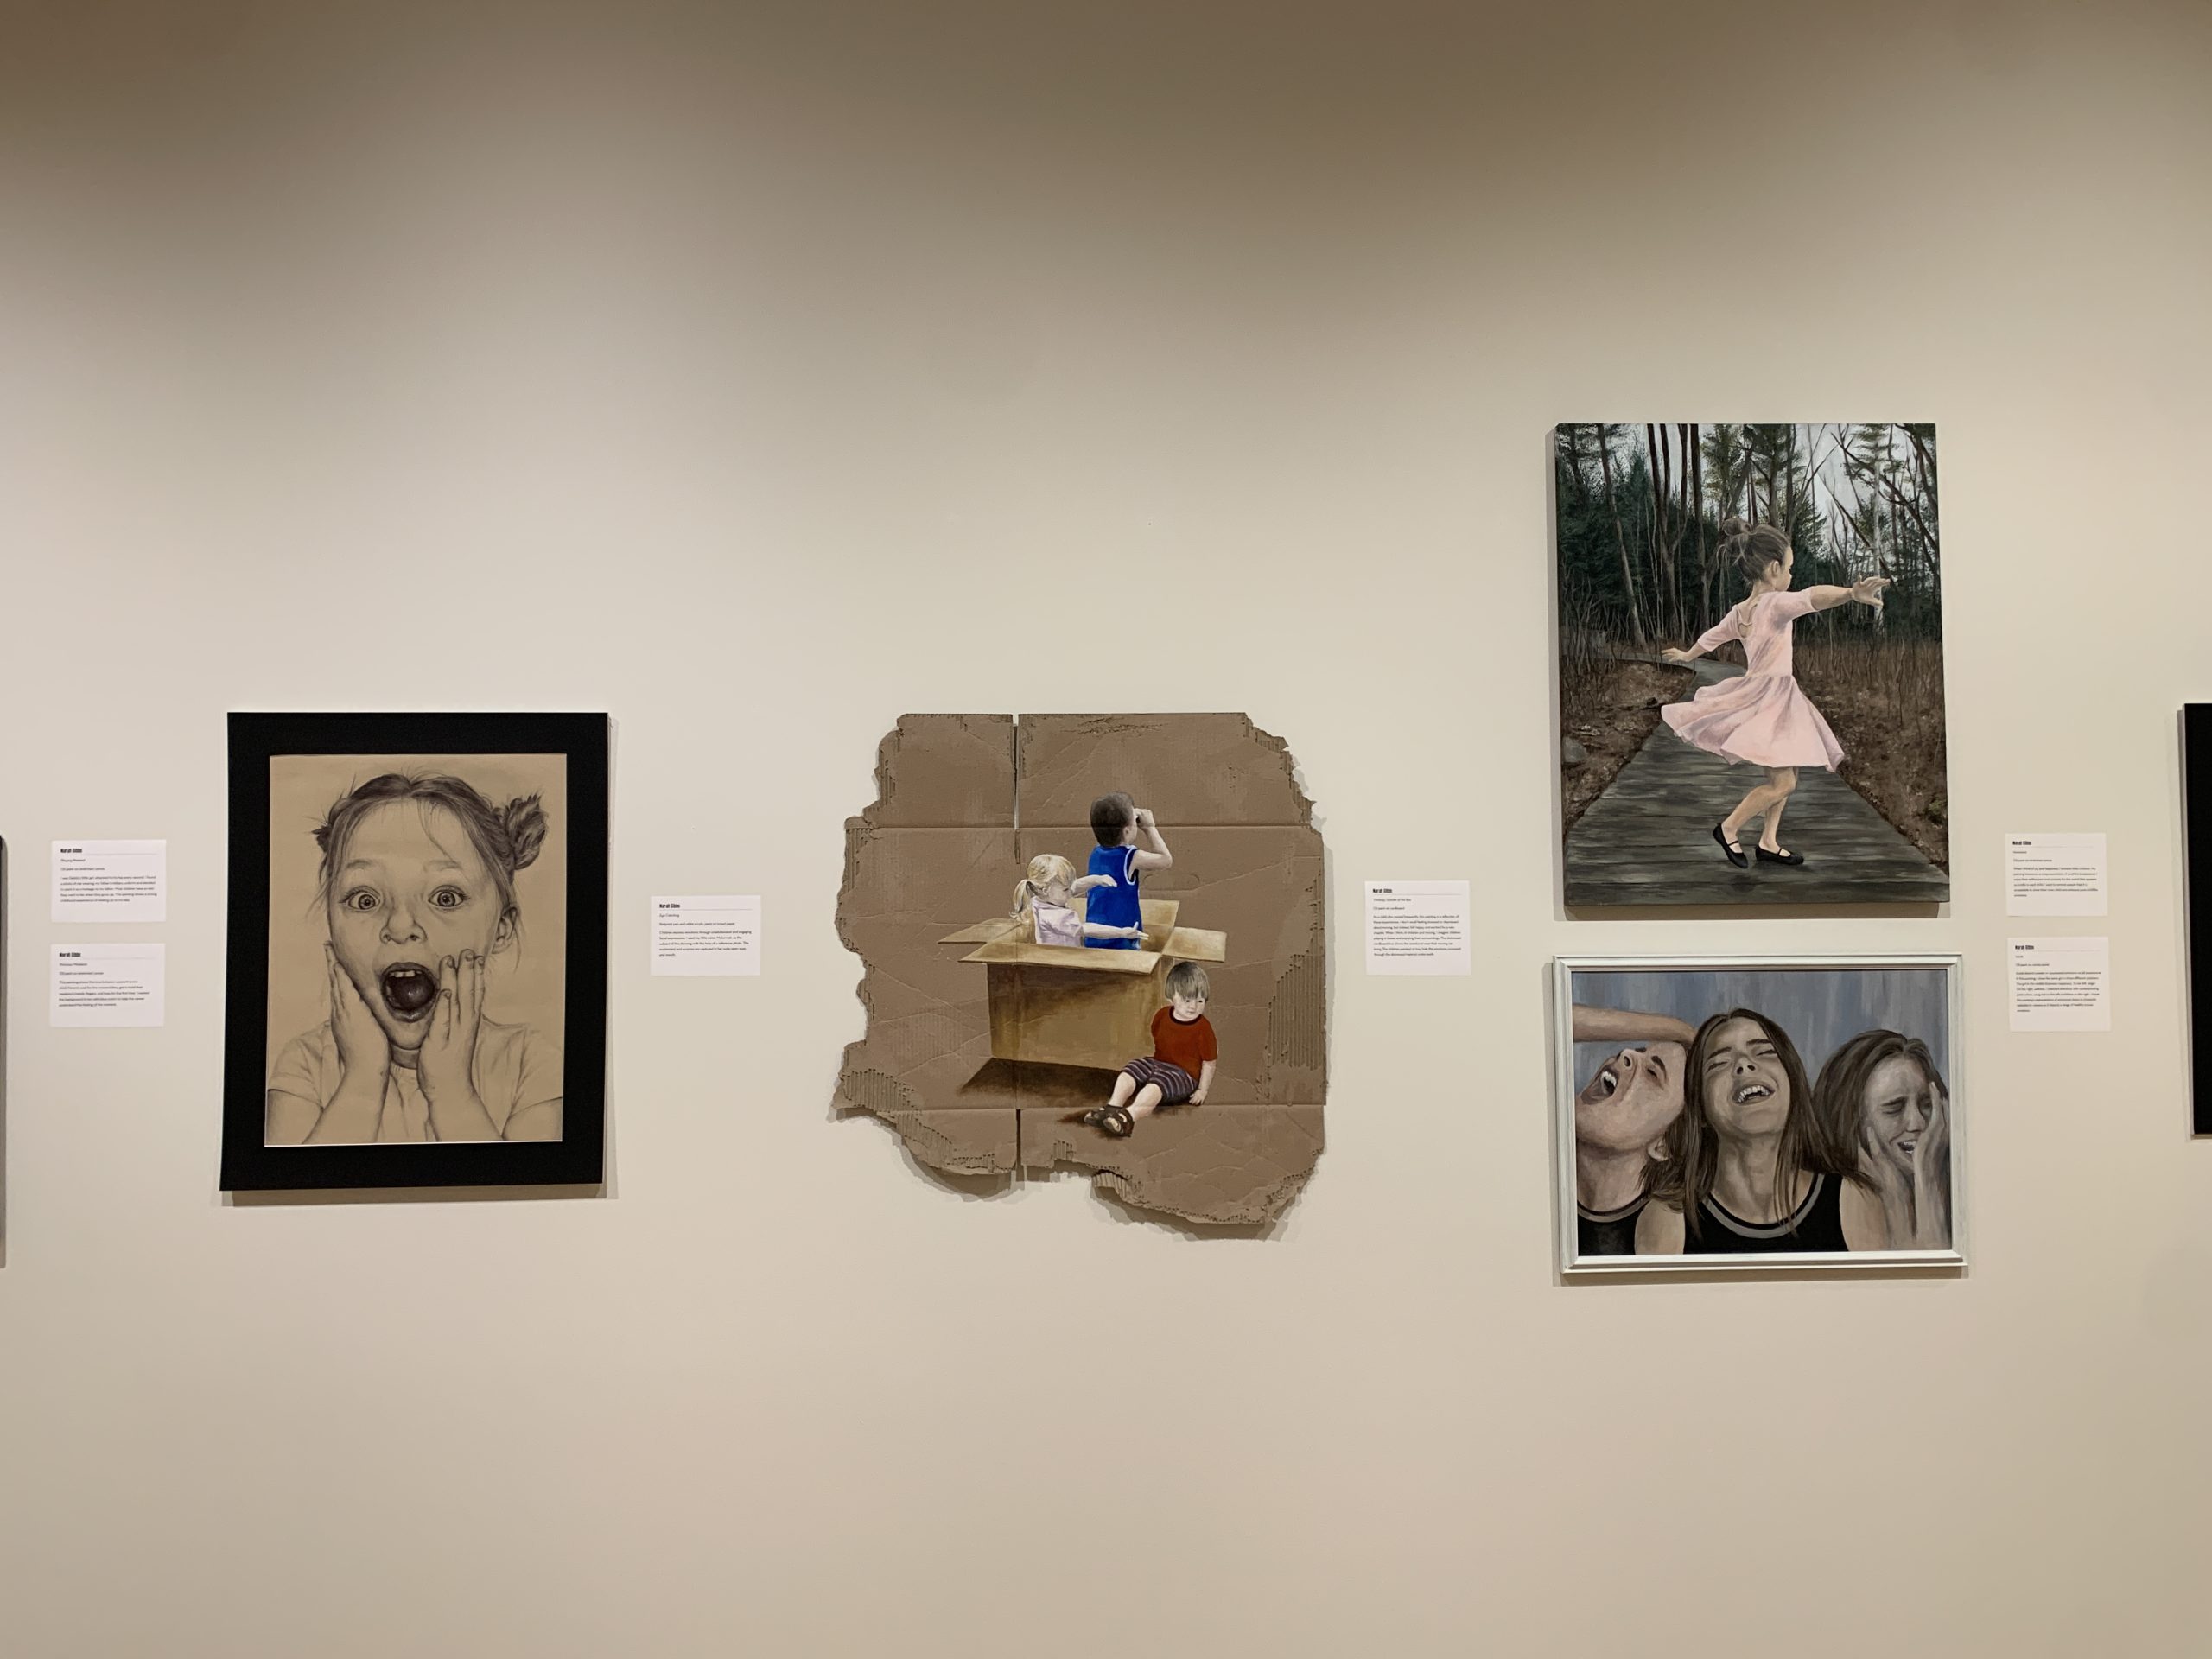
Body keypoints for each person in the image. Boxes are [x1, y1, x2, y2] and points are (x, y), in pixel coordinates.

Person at [266, 772, 562, 1146]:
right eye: (365, 900)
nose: (401, 925)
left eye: (446, 898)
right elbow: (296, 1190)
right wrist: (361, 1080)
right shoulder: (305, 1066)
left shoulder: (530, 1065)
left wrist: (451, 1089)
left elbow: (523, 1196)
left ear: (501, 928)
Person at [1658, 518, 1891, 869]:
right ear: (1773, 568)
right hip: (1773, 697)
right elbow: (1810, 598)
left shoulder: (1741, 611)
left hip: (1763, 693)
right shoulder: (1775, 604)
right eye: (1790, 568)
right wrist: (1849, 594)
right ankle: (1730, 827)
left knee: (1784, 771)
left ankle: (1768, 841)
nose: (1792, 576)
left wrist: (1688, 654)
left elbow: (1713, 636)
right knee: (1784, 782)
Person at [1636, 1008, 1863, 1254]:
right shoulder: (1670, 1219)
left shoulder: (1851, 1201)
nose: (1744, 1064)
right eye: (1719, 1063)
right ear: (1699, 1108)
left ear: (1793, 1083)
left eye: (1765, 1052)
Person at [1569, 1005, 1696, 1256]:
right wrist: (1682, 1031)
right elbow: (1540, 1018)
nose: (1625, 1053)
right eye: (1639, 1050)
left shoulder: (1660, 1234)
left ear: (1663, 1146)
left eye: (1652, 1073)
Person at [1812, 1029, 1953, 1250]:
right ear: (1853, 1122)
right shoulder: (1843, 1200)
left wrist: (1928, 1188)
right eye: (1894, 1108)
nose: (1917, 1123)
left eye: (1926, 1104)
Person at [1082, 961, 1217, 1137]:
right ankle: (1113, 1106)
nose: (1193, 1006)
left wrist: (1202, 1090)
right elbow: (1158, 1038)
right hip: (1159, 1062)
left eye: (1200, 1001)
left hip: (1184, 1074)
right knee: (1131, 1069)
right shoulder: (1161, 1016)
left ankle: (1129, 1116)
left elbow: (1209, 1062)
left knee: (1155, 1086)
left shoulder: (1203, 1028)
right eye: (1187, 1000)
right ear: (1172, 996)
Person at [1084, 792, 1172, 949]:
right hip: (1123, 940)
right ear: (1126, 831)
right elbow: (1165, 860)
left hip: (1095, 937)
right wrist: (1150, 828)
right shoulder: (1131, 856)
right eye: (1134, 821)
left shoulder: (1096, 853)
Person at [1008, 853, 1143, 947]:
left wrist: (1097, 879)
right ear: (1045, 890)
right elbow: (1087, 929)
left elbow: (1075, 886)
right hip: (1062, 962)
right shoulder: (1054, 916)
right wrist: (1122, 932)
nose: (1071, 893)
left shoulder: (1040, 899)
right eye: (1066, 890)